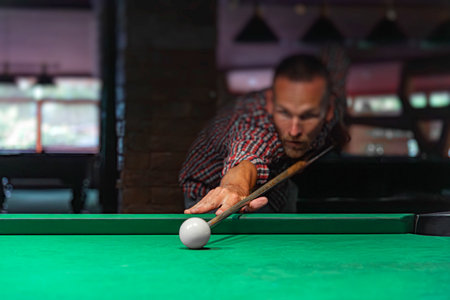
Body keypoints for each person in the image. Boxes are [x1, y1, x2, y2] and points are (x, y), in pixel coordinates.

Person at [179, 51, 350, 215]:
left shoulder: (332, 106)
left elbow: (335, 56)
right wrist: (234, 188)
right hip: (211, 189)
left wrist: (337, 129)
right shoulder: (256, 125)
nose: (294, 131)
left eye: (308, 116)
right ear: (270, 104)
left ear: (328, 111)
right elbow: (248, 154)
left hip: (277, 184)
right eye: (284, 113)